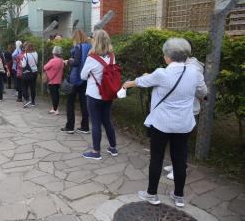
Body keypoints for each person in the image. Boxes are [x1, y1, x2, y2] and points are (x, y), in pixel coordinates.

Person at [122, 37, 207, 208]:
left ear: (168, 56)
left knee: (157, 157)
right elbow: (203, 92)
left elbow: (140, 82)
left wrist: (126, 84)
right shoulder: (194, 72)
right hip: (184, 124)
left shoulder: (162, 73)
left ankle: (152, 194)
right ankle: (179, 196)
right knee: (180, 159)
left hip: (161, 124)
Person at [163, 47, 206, 181]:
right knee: (174, 140)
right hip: (178, 109)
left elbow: (201, 90)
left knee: (180, 142)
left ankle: (180, 168)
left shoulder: (193, 68)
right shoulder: (179, 65)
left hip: (189, 110)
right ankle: (177, 164)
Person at [79, 30, 118, 160]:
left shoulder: (92, 58)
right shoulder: (112, 56)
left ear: (95, 41)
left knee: (96, 123)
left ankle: (96, 152)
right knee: (107, 121)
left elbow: (83, 76)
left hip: (94, 95)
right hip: (109, 94)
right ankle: (113, 148)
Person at [61, 30, 91, 134]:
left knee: (70, 103)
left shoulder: (78, 47)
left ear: (76, 38)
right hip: (85, 78)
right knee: (84, 103)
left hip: (75, 78)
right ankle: (85, 126)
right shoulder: (89, 47)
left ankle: (70, 127)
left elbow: (76, 62)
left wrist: (68, 61)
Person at [44, 46, 64, 115]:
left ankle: (55, 109)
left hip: (52, 80)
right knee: (56, 95)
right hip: (58, 80)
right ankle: (55, 108)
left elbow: (45, 67)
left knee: (53, 95)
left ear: (54, 52)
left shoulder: (53, 60)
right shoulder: (61, 60)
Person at [21, 43, 38, 108]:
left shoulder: (25, 55)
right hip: (35, 71)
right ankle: (33, 102)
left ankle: (27, 99)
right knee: (33, 87)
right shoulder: (36, 53)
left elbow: (23, 65)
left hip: (27, 72)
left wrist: (21, 62)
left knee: (24, 86)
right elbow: (36, 62)